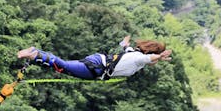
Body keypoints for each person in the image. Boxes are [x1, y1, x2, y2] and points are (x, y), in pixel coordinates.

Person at [17, 36, 173, 80]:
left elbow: (126, 47)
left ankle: (35, 52)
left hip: (97, 61)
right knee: (62, 66)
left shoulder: (133, 53)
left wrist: (124, 43)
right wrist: (159, 56)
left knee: (62, 67)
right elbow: (149, 59)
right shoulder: (139, 59)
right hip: (96, 68)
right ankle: (36, 54)